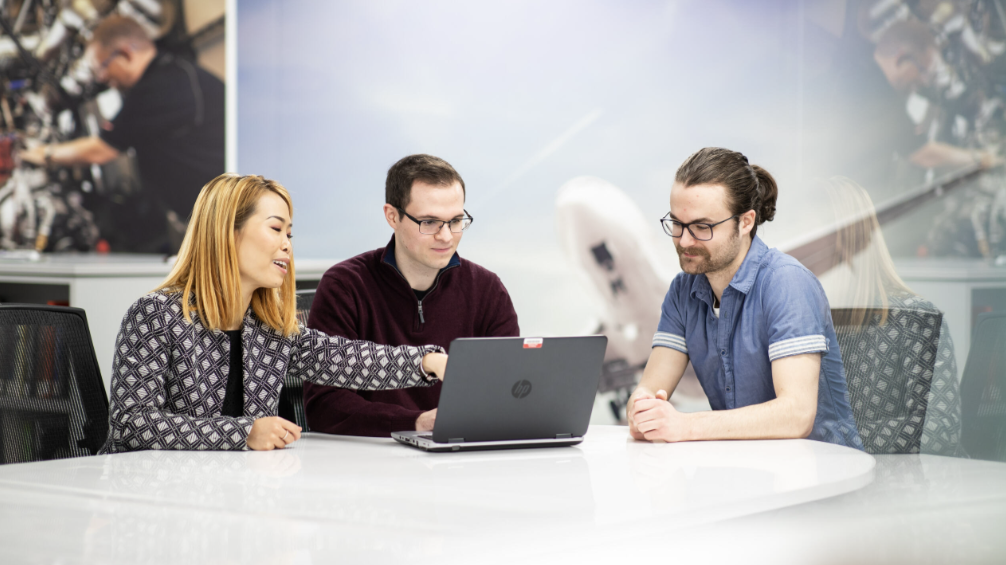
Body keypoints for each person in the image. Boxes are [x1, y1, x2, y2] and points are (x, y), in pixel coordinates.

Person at [99, 173, 449, 453]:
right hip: (149, 499)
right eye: (276, 228)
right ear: (227, 233)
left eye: (290, 233)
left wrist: (425, 361)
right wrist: (243, 432)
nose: (287, 245)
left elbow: (346, 358)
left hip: (228, 494)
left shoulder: (269, 330)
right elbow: (133, 423)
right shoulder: (155, 315)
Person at [627, 147, 863, 448]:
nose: (684, 240)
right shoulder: (682, 291)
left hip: (820, 475)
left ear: (746, 222)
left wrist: (684, 424)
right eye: (676, 224)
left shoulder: (786, 282)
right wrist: (642, 411)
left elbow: (797, 415)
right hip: (741, 473)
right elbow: (648, 389)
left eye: (702, 227)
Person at [304, 154, 519, 437]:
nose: (446, 236)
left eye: (456, 220)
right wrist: (416, 423)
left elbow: (512, 392)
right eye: (429, 222)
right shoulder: (345, 286)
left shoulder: (488, 290)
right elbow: (324, 405)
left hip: (464, 462)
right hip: (368, 465)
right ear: (392, 216)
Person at [21, 15, 225, 253]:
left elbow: (100, 150)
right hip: (209, 219)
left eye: (102, 67)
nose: (102, 78)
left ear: (126, 54)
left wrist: (41, 154)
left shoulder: (162, 87)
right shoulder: (171, 74)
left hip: (224, 222)